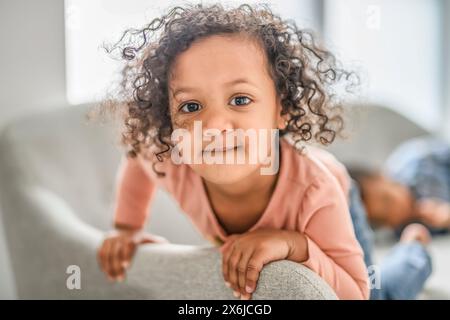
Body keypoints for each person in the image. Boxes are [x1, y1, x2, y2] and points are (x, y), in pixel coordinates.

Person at [95, 3, 369, 300]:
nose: (213, 126)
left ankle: (413, 253)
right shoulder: (172, 160)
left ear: (283, 109)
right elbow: (138, 156)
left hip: (341, 201)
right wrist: (127, 227)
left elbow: (355, 292)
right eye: (191, 106)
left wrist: (295, 245)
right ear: (169, 121)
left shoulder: (315, 191)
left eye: (240, 99)